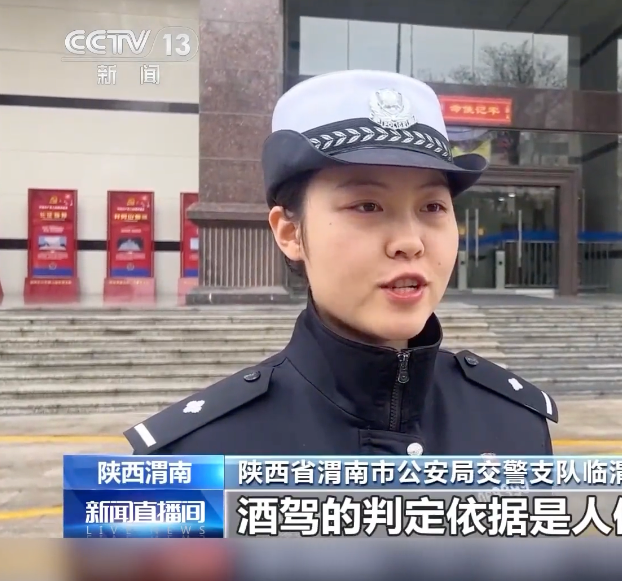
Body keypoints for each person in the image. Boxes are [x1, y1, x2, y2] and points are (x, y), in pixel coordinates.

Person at [123, 70, 558, 456]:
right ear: (290, 233)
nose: (410, 242)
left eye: (432, 207)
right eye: (367, 206)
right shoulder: (199, 453)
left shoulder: (514, 425)